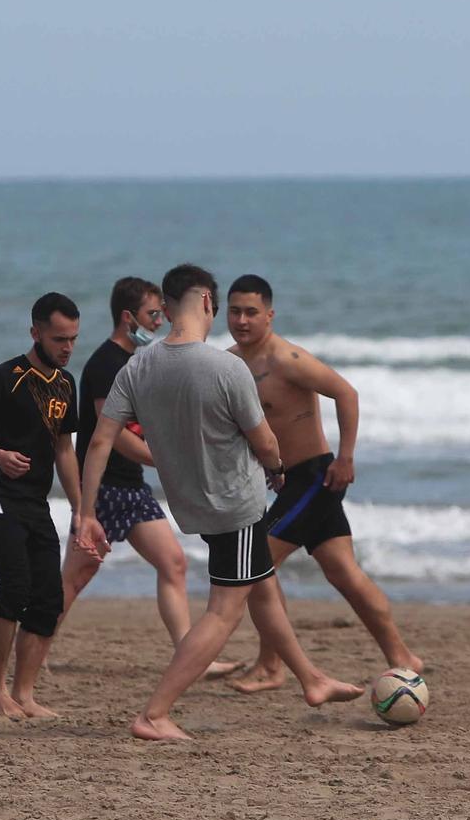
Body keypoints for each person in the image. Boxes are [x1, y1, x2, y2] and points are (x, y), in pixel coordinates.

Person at [79, 264, 364, 741]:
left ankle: (311, 680)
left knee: (263, 586)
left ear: (167, 309)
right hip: (234, 504)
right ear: (209, 303)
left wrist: (86, 513)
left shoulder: (138, 367)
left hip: (192, 504)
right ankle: (154, 713)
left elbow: (99, 443)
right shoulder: (226, 367)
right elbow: (267, 443)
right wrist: (276, 467)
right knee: (224, 612)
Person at [219, 274, 424, 695]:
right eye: (235, 310)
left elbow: (346, 394)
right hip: (286, 482)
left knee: (257, 566)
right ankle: (403, 657)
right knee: (343, 572)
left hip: (315, 476)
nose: (242, 320)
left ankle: (271, 665)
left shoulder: (287, 359)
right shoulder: (230, 362)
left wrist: (346, 456)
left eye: (251, 312)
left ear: (269, 315)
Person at [65, 277, 238, 679]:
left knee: (173, 562)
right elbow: (116, 437)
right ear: (128, 318)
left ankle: (190, 654)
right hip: (105, 488)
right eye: (151, 314)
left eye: (161, 313)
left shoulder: (140, 361)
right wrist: (170, 462)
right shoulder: (106, 364)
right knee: (75, 579)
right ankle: (31, 645)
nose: (159, 322)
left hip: (131, 488)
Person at [0, 292, 83, 719]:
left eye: (72, 339)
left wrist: (81, 509)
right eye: (58, 339)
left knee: (49, 597)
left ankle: (24, 693)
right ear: (36, 333)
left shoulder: (66, 384)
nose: (67, 348)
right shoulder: (2, 377)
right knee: (15, 588)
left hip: (35, 500)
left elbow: (64, 450)